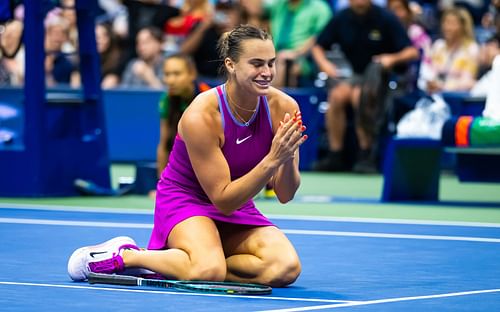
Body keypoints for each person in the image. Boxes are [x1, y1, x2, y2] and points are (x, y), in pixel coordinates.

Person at [68, 24, 307, 287]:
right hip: (186, 200)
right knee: (208, 271)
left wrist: (285, 158)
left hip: (239, 198)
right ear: (231, 65)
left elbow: (285, 194)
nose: (267, 73)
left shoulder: (284, 106)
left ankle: (186, 261)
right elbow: (223, 200)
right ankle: (130, 256)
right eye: (257, 64)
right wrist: (273, 159)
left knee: (285, 268)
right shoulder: (202, 115)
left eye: (271, 63)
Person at [311, 0, 418, 173]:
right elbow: (318, 47)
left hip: (383, 77)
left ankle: (366, 154)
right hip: (355, 75)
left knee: (359, 96)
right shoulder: (342, 17)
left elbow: (411, 51)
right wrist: (325, 65)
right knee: (336, 97)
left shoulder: (386, 18)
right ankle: (335, 155)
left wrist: (391, 59)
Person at [156, 53, 211, 177]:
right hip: (182, 166)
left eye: (176, 74)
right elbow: (164, 145)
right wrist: (162, 183)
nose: (170, 80)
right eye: (167, 74)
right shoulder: (166, 99)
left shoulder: (208, 97)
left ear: (192, 74)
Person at [418, 7, 479, 93]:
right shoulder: (438, 46)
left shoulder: (471, 49)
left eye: (452, 23)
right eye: (445, 23)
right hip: (433, 92)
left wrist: (443, 86)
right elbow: (429, 71)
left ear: (462, 26)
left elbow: (468, 81)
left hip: (457, 96)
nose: (447, 28)